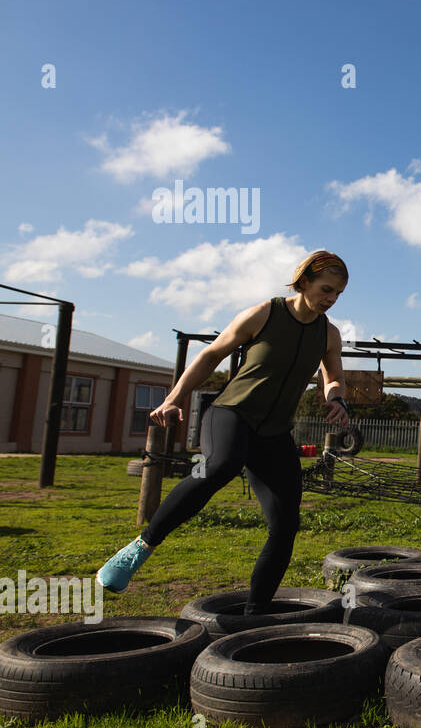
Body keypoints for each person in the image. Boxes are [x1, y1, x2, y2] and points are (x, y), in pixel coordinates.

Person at [97, 250, 351, 613]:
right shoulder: (264, 313)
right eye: (326, 289)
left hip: (274, 432)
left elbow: (334, 377)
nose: (331, 299)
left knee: (285, 524)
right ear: (304, 281)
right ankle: (140, 547)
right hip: (230, 413)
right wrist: (174, 398)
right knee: (219, 465)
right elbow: (210, 355)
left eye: (338, 294)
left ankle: (255, 613)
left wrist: (337, 400)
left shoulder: (328, 334)